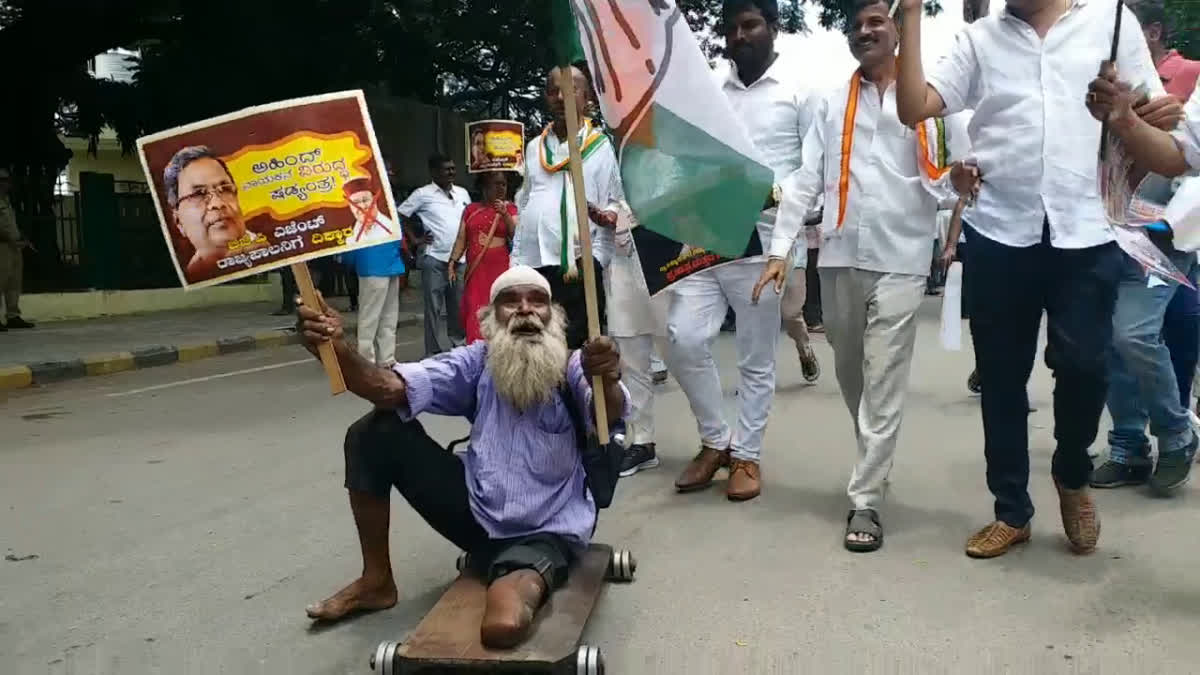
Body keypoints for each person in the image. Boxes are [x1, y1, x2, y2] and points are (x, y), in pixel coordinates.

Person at [894, 0, 1175, 558]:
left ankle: (1072, 474)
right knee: (1001, 377)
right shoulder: (981, 39)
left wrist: (1128, 115)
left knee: (1084, 363)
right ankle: (1011, 511)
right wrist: (909, 14)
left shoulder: (1109, 23)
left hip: (1087, 225)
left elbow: (1160, 122)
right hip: (1000, 228)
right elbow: (913, 107)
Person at [297, 265, 629, 650]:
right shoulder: (476, 363)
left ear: (554, 317)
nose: (525, 310)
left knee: (503, 625)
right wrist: (336, 348)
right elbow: (387, 388)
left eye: (538, 301)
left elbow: (612, 412)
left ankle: (519, 574)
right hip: (477, 513)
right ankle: (376, 581)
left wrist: (606, 376)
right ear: (490, 319)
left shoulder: (575, 367)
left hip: (546, 529)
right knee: (374, 432)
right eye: (510, 301)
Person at [775, 0, 957, 551]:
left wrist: (961, 188)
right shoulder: (831, 104)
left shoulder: (929, 100)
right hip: (838, 254)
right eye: (855, 26)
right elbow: (807, 178)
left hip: (902, 257)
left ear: (899, 30)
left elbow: (948, 179)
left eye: (876, 21)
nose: (864, 31)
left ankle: (867, 499)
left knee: (882, 379)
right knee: (852, 374)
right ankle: (874, 460)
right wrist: (780, 249)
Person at [666, 0, 812, 503]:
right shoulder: (709, 91)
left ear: (773, 28)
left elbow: (809, 169)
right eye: (731, 28)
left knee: (755, 358)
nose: (738, 36)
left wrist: (775, 197)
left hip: (765, 246)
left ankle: (746, 455)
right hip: (707, 239)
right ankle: (716, 440)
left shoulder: (799, 92)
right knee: (682, 337)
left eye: (749, 25)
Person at [513, 64, 621, 350]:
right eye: (553, 90)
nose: (561, 97)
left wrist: (597, 261)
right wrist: (516, 262)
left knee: (579, 355)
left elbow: (612, 203)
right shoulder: (534, 147)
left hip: (580, 267)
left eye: (570, 90)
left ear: (586, 98)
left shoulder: (601, 147)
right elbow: (523, 204)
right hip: (534, 267)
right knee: (536, 348)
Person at [1128, 0, 1200, 423]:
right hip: (1127, 223)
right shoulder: (1111, 77)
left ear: (1151, 33)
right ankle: (1132, 439)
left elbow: (1185, 152)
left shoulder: (1188, 73)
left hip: (1175, 224)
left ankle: (1177, 423)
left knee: (1174, 327)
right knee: (1128, 335)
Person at [607, 202, 670, 477]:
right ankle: (643, 441)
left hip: (667, 253)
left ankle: (715, 439)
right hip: (621, 263)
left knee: (684, 351)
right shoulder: (603, 159)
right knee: (630, 359)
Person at [398, 154, 472, 357]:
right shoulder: (422, 194)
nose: (451, 173)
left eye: (453, 169)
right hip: (435, 259)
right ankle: (434, 352)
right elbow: (401, 214)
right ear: (434, 172)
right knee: (434, 309)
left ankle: (459, 346)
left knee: (458, 306)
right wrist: (415, 239)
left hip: (459, 260)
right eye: (446, 169)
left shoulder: (463, 193)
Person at [164, 146, 264, 283]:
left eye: (225, 189)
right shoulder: (192, 274)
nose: (217, 203)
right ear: (179, 222)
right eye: (198, 194)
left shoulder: (270, 255)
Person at [449, 170, 518, 344]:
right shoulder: (471, 210)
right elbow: (461, 239)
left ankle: (500, 350)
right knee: (475, 309)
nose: (501, 188)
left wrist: (504, 214)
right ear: (485, 186)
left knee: (499, 308)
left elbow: (516, 235)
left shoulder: (510, 208)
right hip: (476, 271)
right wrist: (452, 262)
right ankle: (475, 351)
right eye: (496, 184)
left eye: (504, 184)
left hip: (500, 269)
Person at [341, 237, 406, 367]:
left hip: (376, 263)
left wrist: (351, 261)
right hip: (382, 262)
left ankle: (380, 360)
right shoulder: (388, 216)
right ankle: (375, 360)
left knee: (377, 317)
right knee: (381, 318)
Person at [0, 168, 34, 330]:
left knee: (14, 282)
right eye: (2, 180)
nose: (4, 183)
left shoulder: (7, 201)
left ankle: (13, 316)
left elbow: (10, 224)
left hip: (14, 246)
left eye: (6, 180)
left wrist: (21, 238)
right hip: (1, 246)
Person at [344, 177, 398, 245]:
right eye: (355, 203)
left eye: (366, 200)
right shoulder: (350, 236)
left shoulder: (391, 227)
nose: (363, 206)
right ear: (350, 207)